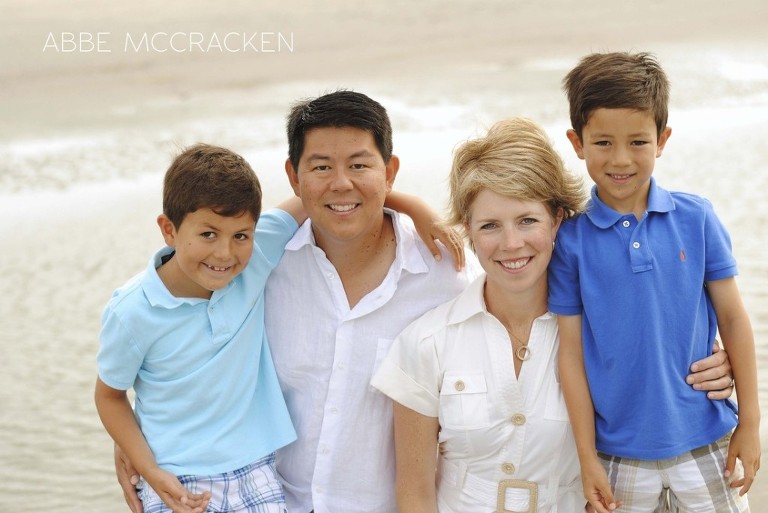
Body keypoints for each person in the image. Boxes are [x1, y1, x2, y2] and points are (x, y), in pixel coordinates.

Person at [115, 91, 735, 513]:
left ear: (390, 169)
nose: (510, 244)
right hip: (276, 498)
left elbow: (658, 320)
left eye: (360, 165)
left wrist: (714, 365)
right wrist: (138, 435)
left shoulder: (446, 274)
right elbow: (175, 322)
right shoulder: (260, 263)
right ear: (294, 175)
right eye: (320, 167)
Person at [549, 51, 760, 513]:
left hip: (706, 440)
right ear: (577, 142)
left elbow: (733, 318)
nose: (621, 159)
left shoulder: (696, 218)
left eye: (638, 142)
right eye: (603, 142)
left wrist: (750, 421)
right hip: (616, 455)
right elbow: (571, 355)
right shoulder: (570, 240)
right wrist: (586, 456)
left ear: (662, 140)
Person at [371, 117, 587, 512]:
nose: (511, 243)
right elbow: (415, 493)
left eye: (527, 220)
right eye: (490, 226)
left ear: (557, 219)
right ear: (467, 229)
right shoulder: (426, 342)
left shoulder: (597, 333)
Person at [95, 144, 305, 513]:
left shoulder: (256, 256)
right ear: (169, 230)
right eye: (208, 234)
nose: (225, 253)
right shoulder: (132, 312)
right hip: (174, 474)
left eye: (241, 235)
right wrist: (148, 469)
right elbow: (110, 396)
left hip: (255, 466)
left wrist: (408, 206)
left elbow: (321, 194)